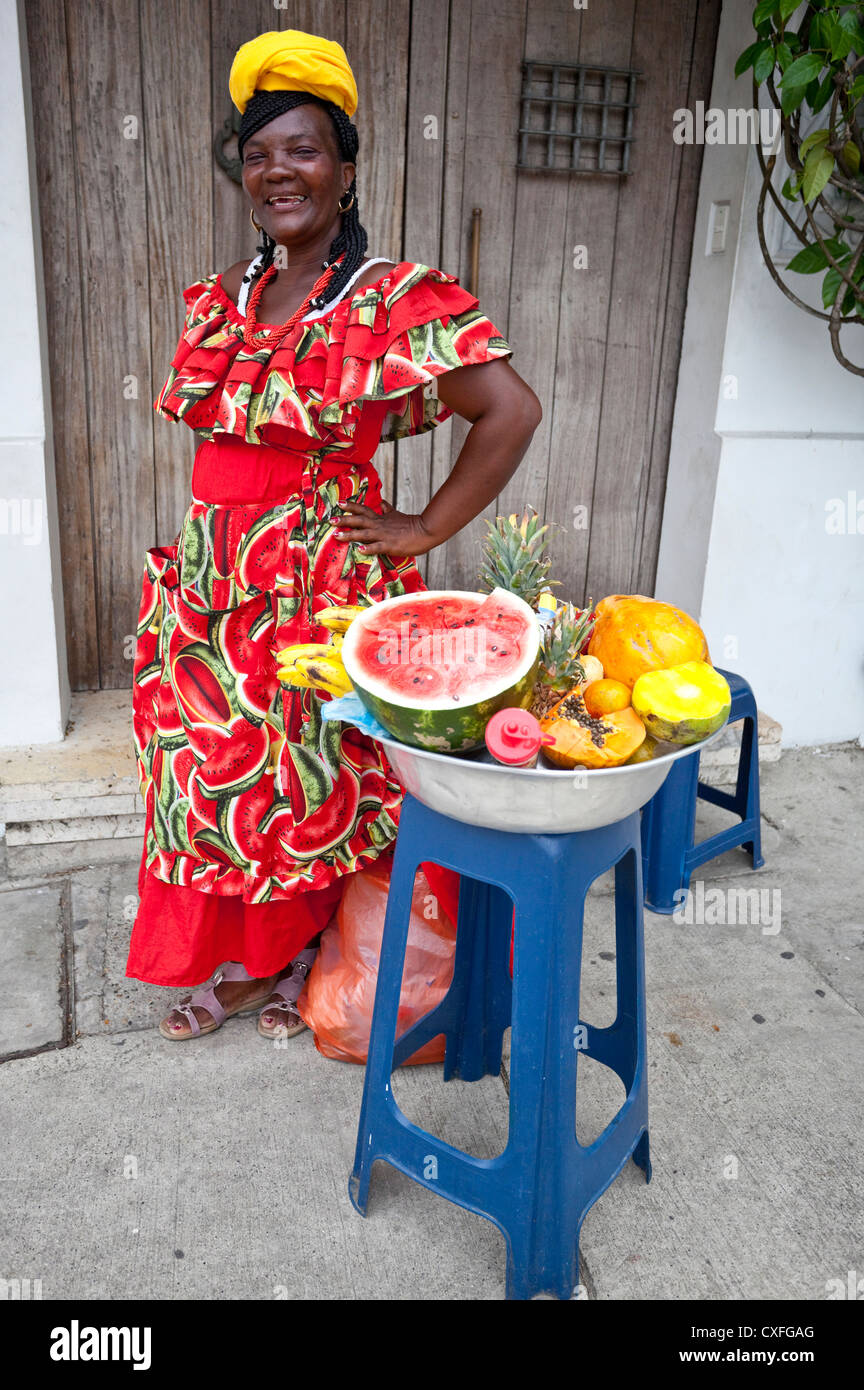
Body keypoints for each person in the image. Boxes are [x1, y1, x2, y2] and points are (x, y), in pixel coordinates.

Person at [126, 29, 542, 1042]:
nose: (280, 172)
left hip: (314, 585)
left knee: (307, 782)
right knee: (209, 776)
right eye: (260, 153)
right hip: (212, 589)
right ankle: (247, 958)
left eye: (304, 150)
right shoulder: (225, 300)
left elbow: (512, 409)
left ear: (345, 168)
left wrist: (422, 525)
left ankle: (304, 955)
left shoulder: (388, 300)